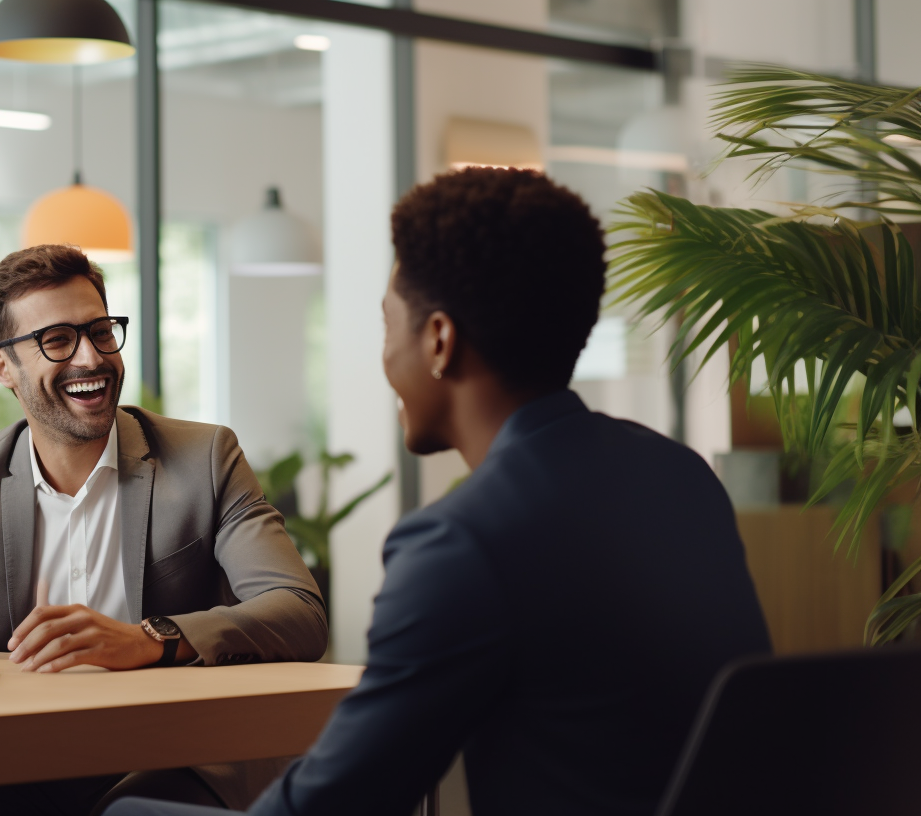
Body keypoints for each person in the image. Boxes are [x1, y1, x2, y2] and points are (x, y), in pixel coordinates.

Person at [106, 168, 773, 816]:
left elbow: (339, 801)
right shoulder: (680, 476)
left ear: (439, 340)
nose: (384, 355)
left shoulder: (462, 540)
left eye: (386, 323)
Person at [0, 243, 327, 815]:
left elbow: (298, 609)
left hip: (176, 751)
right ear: (2, 365)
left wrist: (147, 639)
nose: (91, 358)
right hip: (20, 752)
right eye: (57, 340)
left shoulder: (204, 457)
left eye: (101, 331)